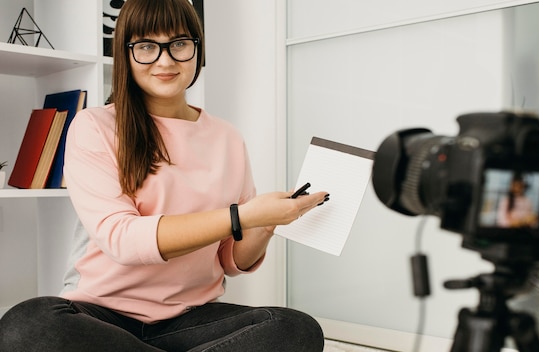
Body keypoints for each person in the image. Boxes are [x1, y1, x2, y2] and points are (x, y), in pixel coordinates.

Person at [0, 0, 328, 351]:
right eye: (146, 46)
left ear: (197, 49)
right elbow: (122, 240)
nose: (165, 60)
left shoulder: (227, 137)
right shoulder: (95, 126)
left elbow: (230, 259)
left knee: (295, 328)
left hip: (189, 318)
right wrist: (242, 215)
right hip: (100, 315)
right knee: (26, 325)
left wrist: (264, 224)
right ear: (127, 53)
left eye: (179, 44)